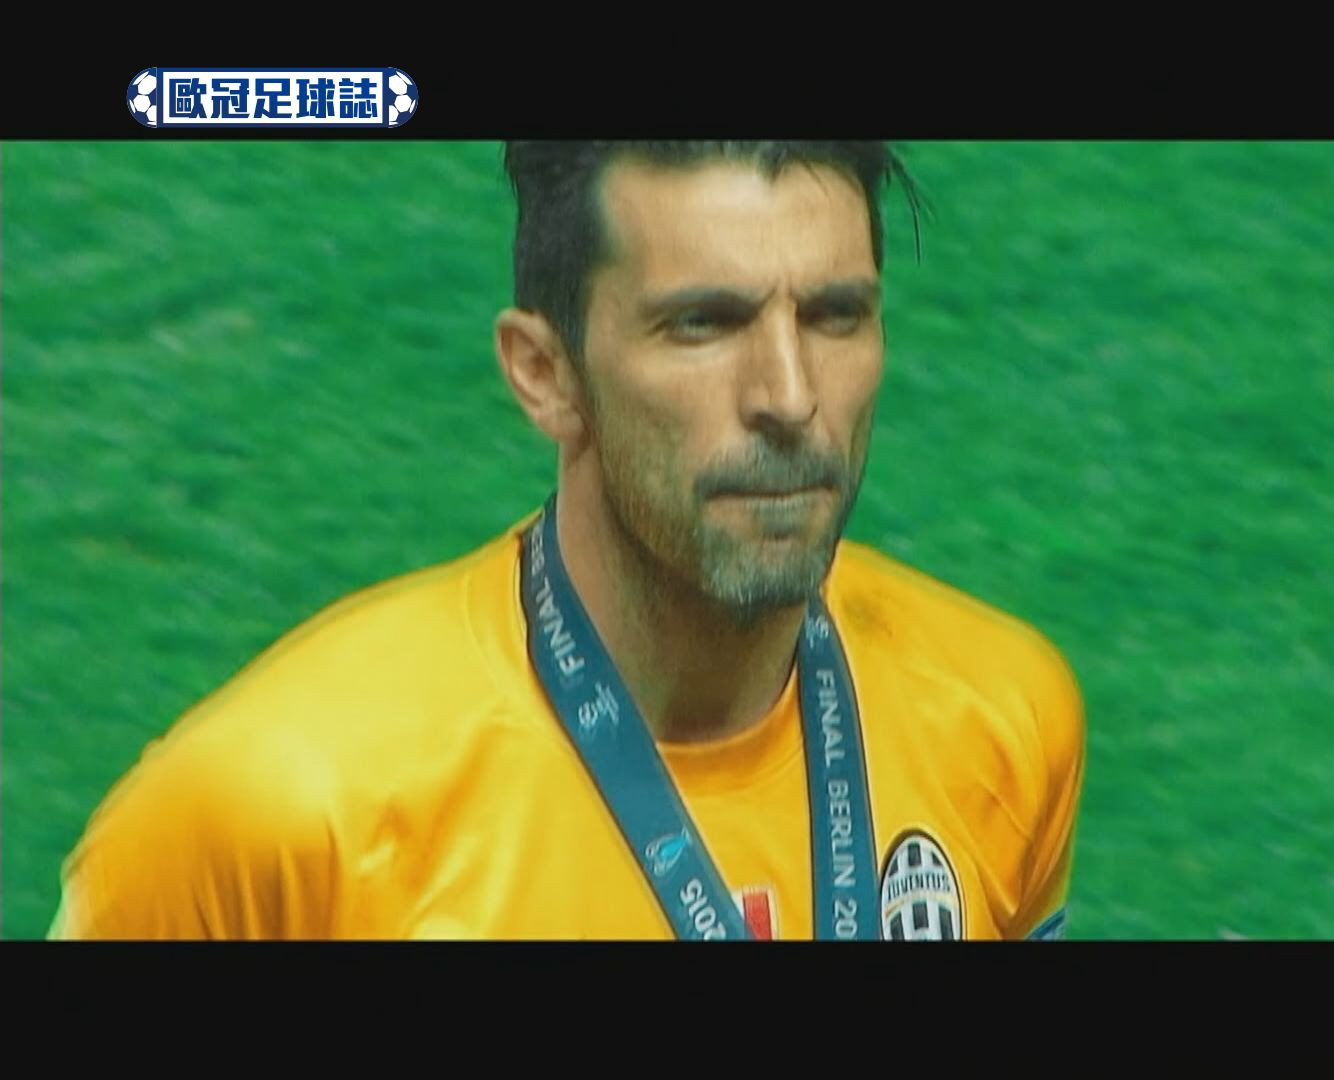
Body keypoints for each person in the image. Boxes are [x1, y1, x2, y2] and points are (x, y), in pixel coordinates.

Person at [49, 140, 1085, 941]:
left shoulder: (1001, 715)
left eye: (834, 315)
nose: (789, 396)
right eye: (704, 323)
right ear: (544, 375)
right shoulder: (273, 816)